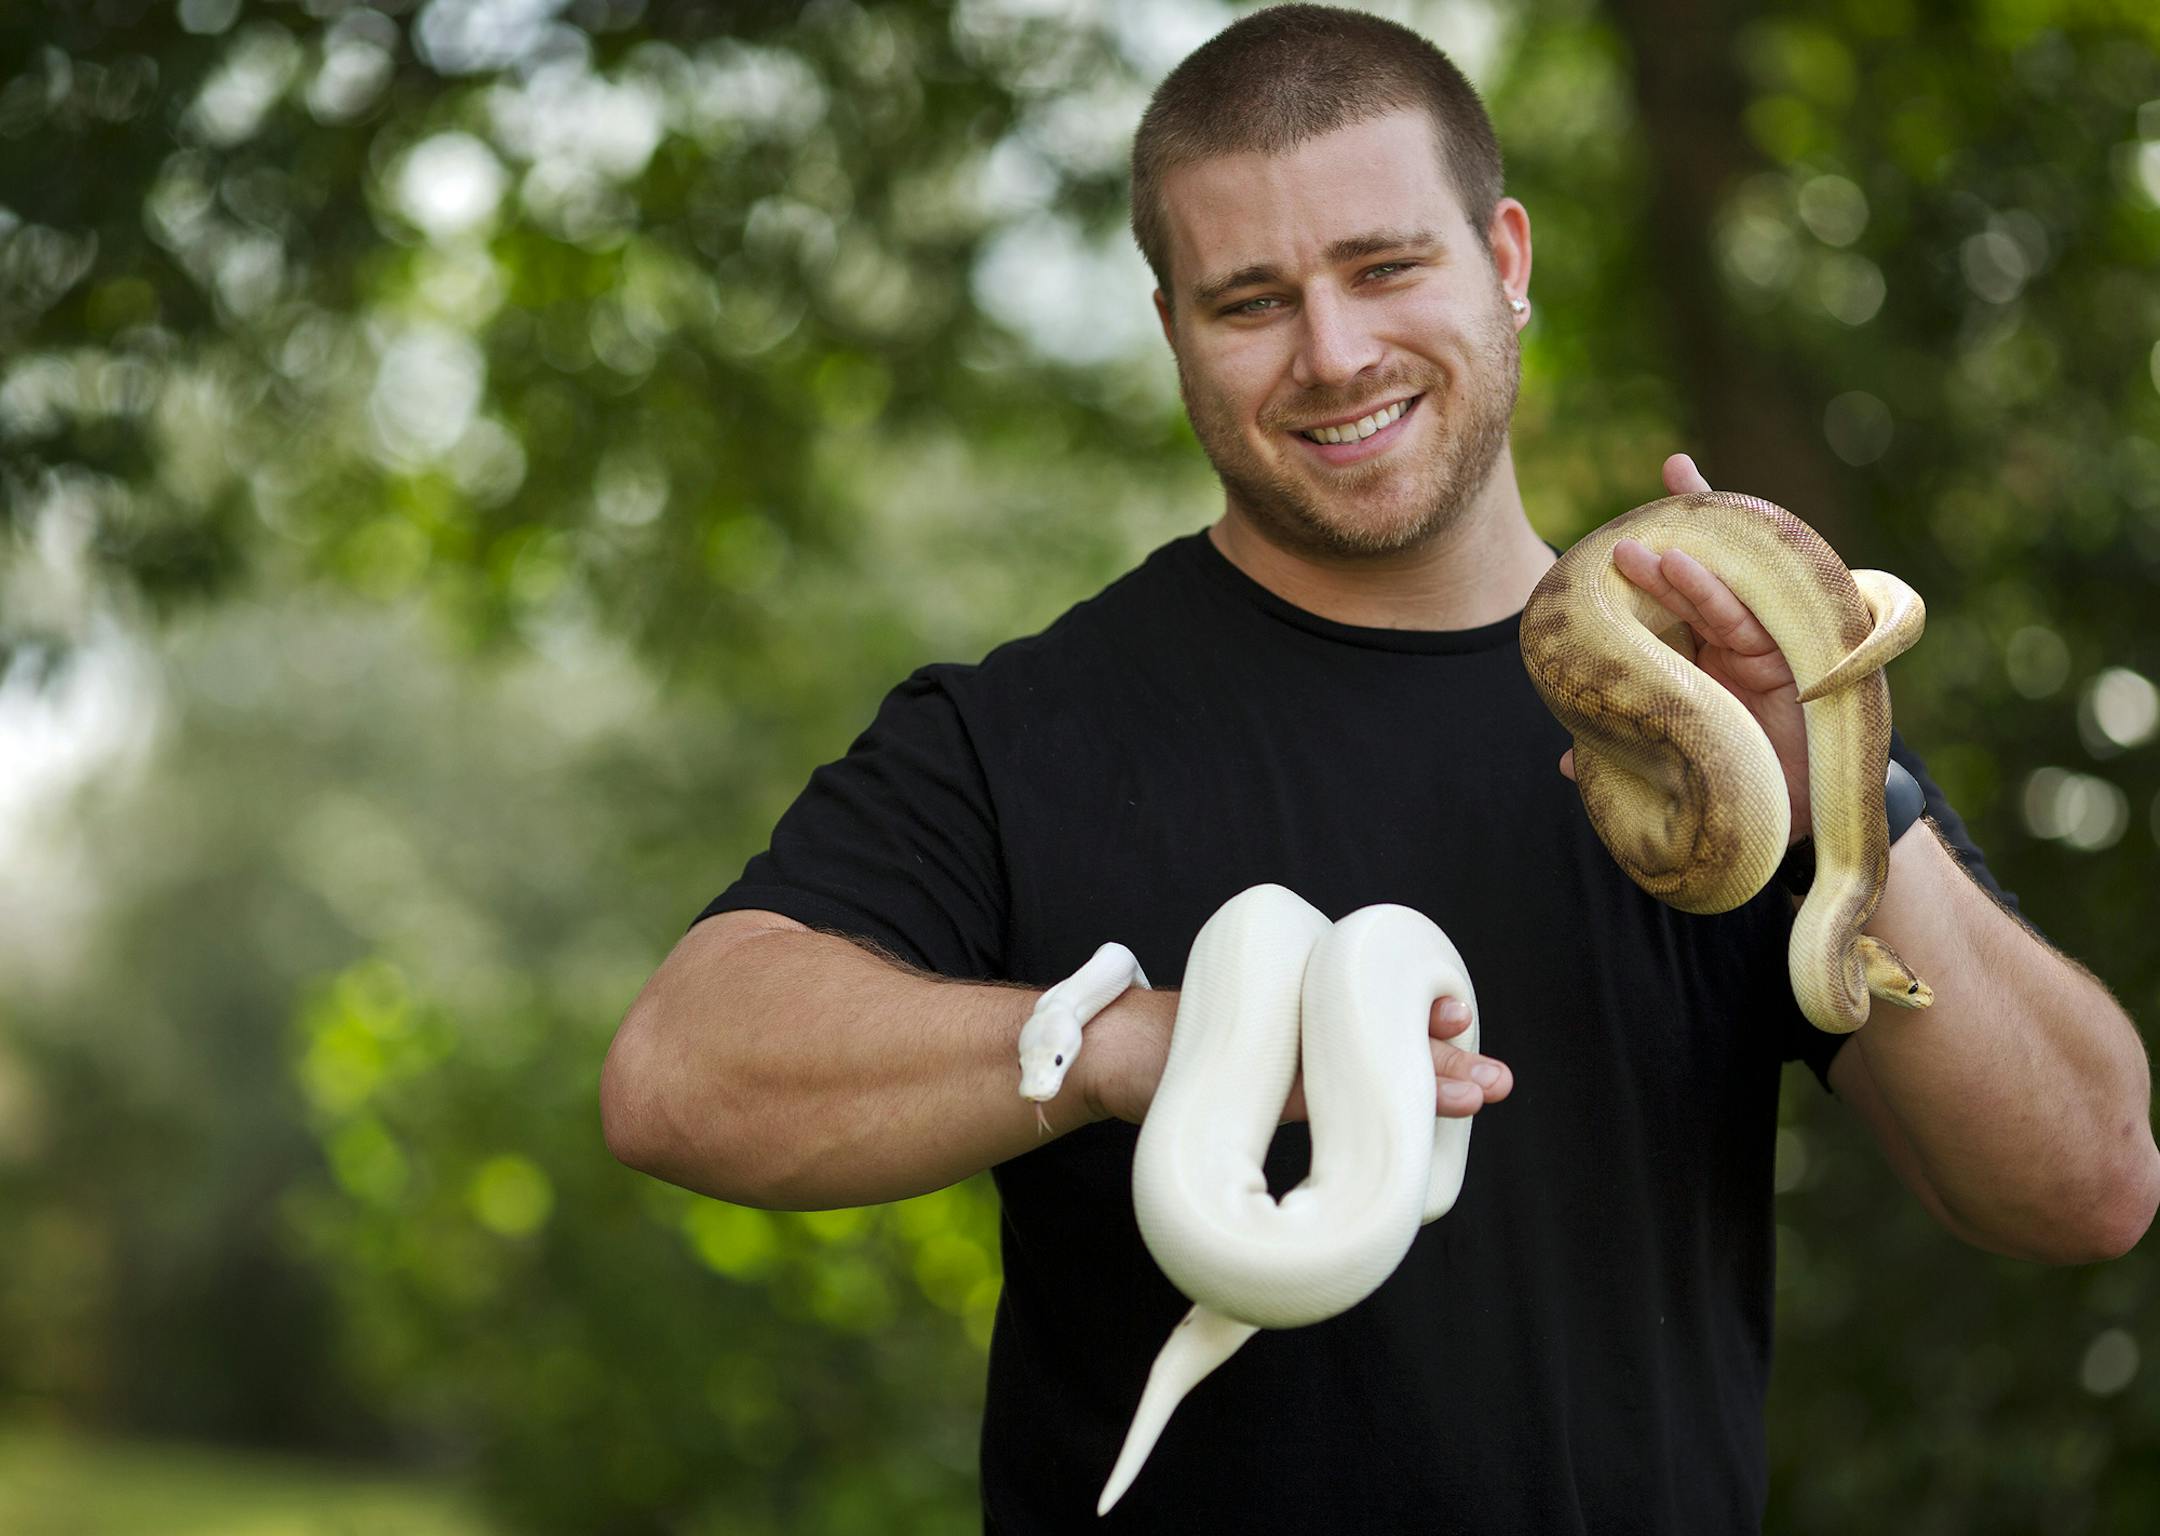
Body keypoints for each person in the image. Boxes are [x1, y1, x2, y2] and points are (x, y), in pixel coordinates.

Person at [602, 6, 2159, 1530]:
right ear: (1173, 333)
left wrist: (1828, 773)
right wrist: (1140, 1046)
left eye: (1386, 267)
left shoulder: (1722, 711)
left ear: (1508, 263)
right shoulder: (1024, 729)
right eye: (1251, 299)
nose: (1334, 354)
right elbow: (681, 1078)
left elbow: (2083, 1186)